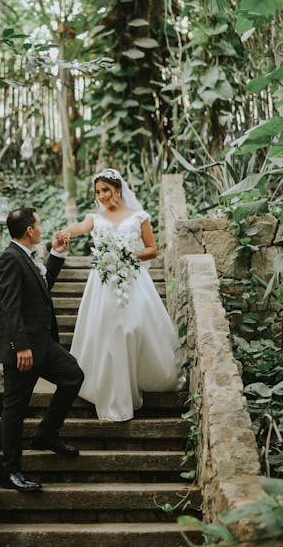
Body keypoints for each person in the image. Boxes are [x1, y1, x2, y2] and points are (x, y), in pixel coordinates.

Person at [61, 168, 183, 422]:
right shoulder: (96, 218)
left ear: (118, 188)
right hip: (103, 285)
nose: (102, 196)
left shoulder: (139, 216)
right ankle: (112, 393)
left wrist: (127, 256)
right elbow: (80, 227)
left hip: (132, 282)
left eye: (105, 189)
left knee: (131, 329)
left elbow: (152, 250)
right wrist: (65, 233)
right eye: (97, 192)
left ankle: (133, 383)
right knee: (108, 332)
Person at [0, 207, 84, 492]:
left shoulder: (26, 257)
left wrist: (56, 254)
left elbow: (43, 288)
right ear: (30, 230)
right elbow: (9, 307)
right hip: (23, 351)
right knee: (14, 410)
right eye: (40, 225)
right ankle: (11, 471)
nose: (42, 228)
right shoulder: (10, 259)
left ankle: (46, 433)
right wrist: (20, 347)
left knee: (73, 376)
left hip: (44, 346)